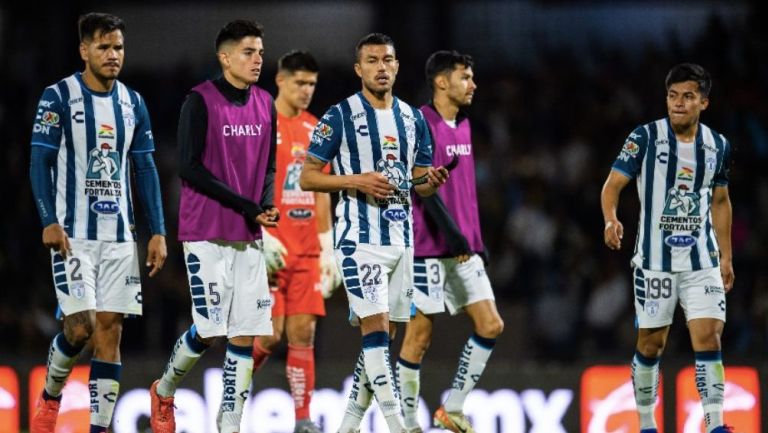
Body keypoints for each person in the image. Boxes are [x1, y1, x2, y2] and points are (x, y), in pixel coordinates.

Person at [299, 33, 449, 433]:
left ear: (397, 66)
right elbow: (308, 176)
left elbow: (418, 183)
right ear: (358, 69)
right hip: (359, 240)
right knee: (377, 331)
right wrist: (357, 182)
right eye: (372, 60)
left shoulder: (414, 119)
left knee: (380, 343)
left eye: (388, 60)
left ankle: (347, 427)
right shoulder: (340, 115)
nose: (381, 67)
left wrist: (431, 182)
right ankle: (400, 424)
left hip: (402, 240)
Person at [28, 12, 167, 433]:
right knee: (80, 327)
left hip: (120, 238)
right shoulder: (58, 96)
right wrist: (48, 219)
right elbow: (39, 159)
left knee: (110, 333)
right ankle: (52, 394)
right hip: (73, 237)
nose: (113, 55)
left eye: (119, 48)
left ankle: (99, 428)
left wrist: (157, 230)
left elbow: (145, 169)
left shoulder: (133, 103)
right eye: (104, 47)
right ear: (84, 50)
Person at [148, 20, 278, 433]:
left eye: (260, 52)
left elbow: (269, 163)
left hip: (249, 232)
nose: (258, 59)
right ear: (224, 58)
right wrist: (246, 204)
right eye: (248, 52)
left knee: (244, 335)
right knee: (209, 329)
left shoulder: (265, 102)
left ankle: (230, 425)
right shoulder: (199, 101)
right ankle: (164, 389)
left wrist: (268, 202)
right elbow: (189, 167)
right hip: (206, 230)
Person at [601, 63, 734, 433]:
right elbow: (612, 185)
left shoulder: (718, 145)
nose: (678, 103)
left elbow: (720, 201)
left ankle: (716, 423)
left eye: (688, 96)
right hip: (655, 263)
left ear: (704, 103)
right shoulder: (644, 137)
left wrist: (726, 257)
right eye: (673, 96)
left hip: (702, 260)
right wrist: (610, 219)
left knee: (709, 335)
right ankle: (646, 423)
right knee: (651, 345)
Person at [395, 50, 504, 433]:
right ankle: (407, 425)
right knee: (419, 336)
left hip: (462, 247)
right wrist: (454, 233)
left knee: (490, 324)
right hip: (427, 248)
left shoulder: (465, 126)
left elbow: (464, 192)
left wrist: (474, 238)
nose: (473, 84)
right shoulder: (420, 124)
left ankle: (451, 409)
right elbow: (422, 187)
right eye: (465, 77)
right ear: (441, 82)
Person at [251, 50, 341, 433]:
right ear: (281, 80)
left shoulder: (316, 129)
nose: (306, 90)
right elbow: (245, 184)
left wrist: (328, 243)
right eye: (300, 82)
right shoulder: (258, 124)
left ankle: (303, 420)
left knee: (303, 334)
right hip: (269, 248)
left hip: (305, 250)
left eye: (312, 84)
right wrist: (258, 233)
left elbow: (321, 191)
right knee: (269, 335)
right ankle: (230, 397)